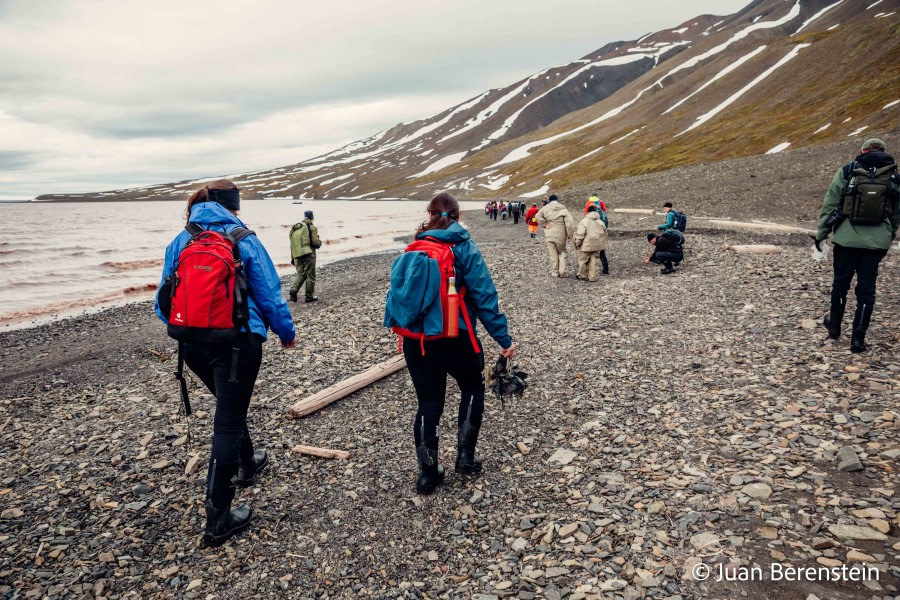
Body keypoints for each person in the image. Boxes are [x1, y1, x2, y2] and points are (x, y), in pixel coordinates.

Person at [154, 180, 296, 546]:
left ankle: (248, 464)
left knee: (228, 405)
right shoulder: (242, 238)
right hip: (236, 342)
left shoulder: (180, 240)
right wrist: (286, 332)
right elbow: (269, 293)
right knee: (228, 422)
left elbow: (162, 302)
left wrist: (191, 328)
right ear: (234, 207)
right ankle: (218, 517)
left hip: (191, 344)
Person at [384, 192, 516, 494]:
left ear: (429, 215)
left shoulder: (413, 247)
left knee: (428, 404)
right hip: (457, 337)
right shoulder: (464, 247)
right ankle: (465, 459)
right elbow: (484, 297)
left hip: (418, 343)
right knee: (472, 387)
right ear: (457, 216)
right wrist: (503, 340)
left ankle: (428, 475)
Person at [815, 138, 899, 353]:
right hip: (876, 243)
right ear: (883, 151)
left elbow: (831, 204)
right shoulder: (894, 176)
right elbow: (897, 215)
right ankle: (858, 340)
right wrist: (887, 238)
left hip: (846, 239)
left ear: (863, 151)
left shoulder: (849, 171)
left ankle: (834, 328)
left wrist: (822, 234)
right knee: (866, 290)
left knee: (841, 284)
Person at [535, 194, 575, 277]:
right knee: (562, 251)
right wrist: (570, 235)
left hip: (549, 233)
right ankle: (562, 271)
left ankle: (555, 272)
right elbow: (569, 223)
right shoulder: (563, 209)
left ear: (549, 200)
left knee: (552, 253)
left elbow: (537, 216)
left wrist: (544, 224)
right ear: (557, 200)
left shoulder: (545, 208)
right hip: (560, 234)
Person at [289, 210, 321, 303]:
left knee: (301, 274)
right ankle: (309, 296)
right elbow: (315, 242)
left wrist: (293, 258)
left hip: (297, 255)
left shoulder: (297, 229)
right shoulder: (312, 228)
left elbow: (292, 245)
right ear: (312, 217)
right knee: (310, 275)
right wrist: (319, 243)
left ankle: (293, 290)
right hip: (309, 255)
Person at [574, 205, 609, 281]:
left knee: (583, 260)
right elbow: (605, 233)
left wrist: (577, 243)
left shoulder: (584, 221)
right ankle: (592, 276)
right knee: (594, 260)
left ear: (587, 212)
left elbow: (580, 234)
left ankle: (582, 275)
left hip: (586, 245)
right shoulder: (600, 222)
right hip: (597, 245)